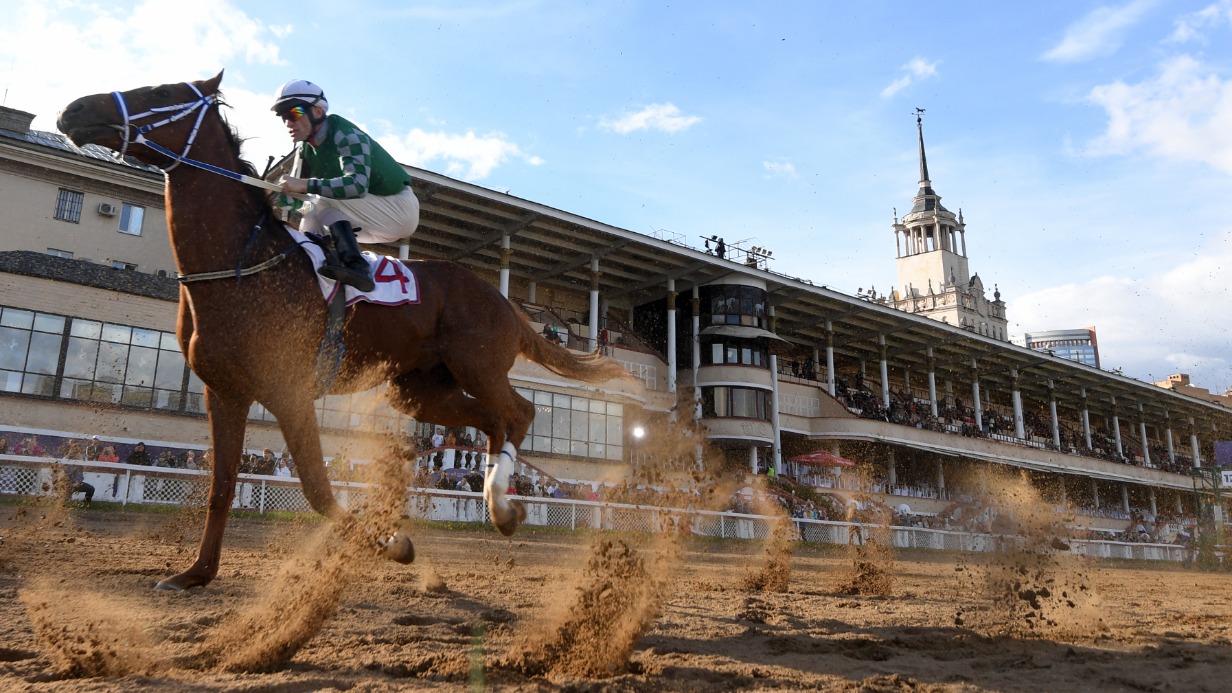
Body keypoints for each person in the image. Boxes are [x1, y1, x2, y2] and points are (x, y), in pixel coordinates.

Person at [271, 79, 420, 292]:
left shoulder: (347, 135)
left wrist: (303, 185)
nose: (288, 123)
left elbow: (356, 186)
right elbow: (293, 203)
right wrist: (269, 191)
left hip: (399, 210)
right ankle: (312, 266)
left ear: (318, 112)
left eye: (294, 113)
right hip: (368, 223)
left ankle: (357, 266)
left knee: (320, 197)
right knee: (311, 209)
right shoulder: (304, 150)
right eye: (283, 117)